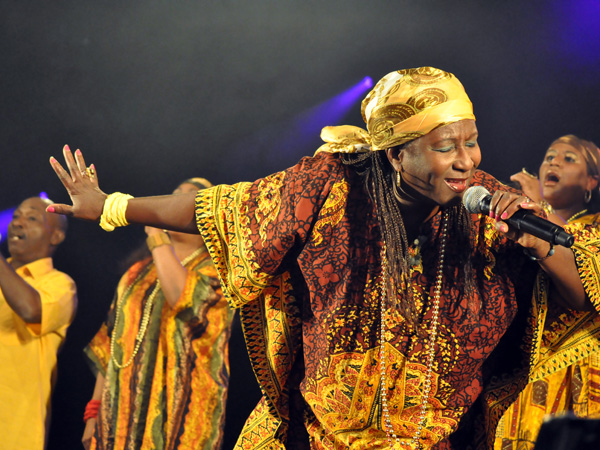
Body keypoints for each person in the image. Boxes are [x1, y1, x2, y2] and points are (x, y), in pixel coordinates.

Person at [47, 67, 590, 449]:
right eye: (447, 146)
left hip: (428, 435)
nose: (467, 160)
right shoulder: (331, 185)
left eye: (471, 142)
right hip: (318, 432)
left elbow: (585, 294)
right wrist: (111, 205)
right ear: (398, 155)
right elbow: (219, 207)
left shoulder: (486, 206)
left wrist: (538, 239)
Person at [81, 177, 234, 450]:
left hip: (181, 417)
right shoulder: (136, 273)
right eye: (174, 195)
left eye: (190, 197)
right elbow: (110, 344)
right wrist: (93, 414)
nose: (176, 200)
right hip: (119, 416)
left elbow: (184, 299)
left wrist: (156, 235)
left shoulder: (219, 273)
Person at [494, 135, 600, 449]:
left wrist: (543, 208)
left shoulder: (596, 226)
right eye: (549, 156)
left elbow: (586, 286)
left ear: (591, 182)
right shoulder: (521, 221)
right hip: (525, 378)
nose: (553, 161)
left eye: (569, 159)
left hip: (583, 371)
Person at [0, 196, 77, 450]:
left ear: (55, 236)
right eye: (16, 216)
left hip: (13, 433)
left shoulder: (60, 285)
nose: (18, 223)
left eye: (31, 218)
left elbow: (30, 309)